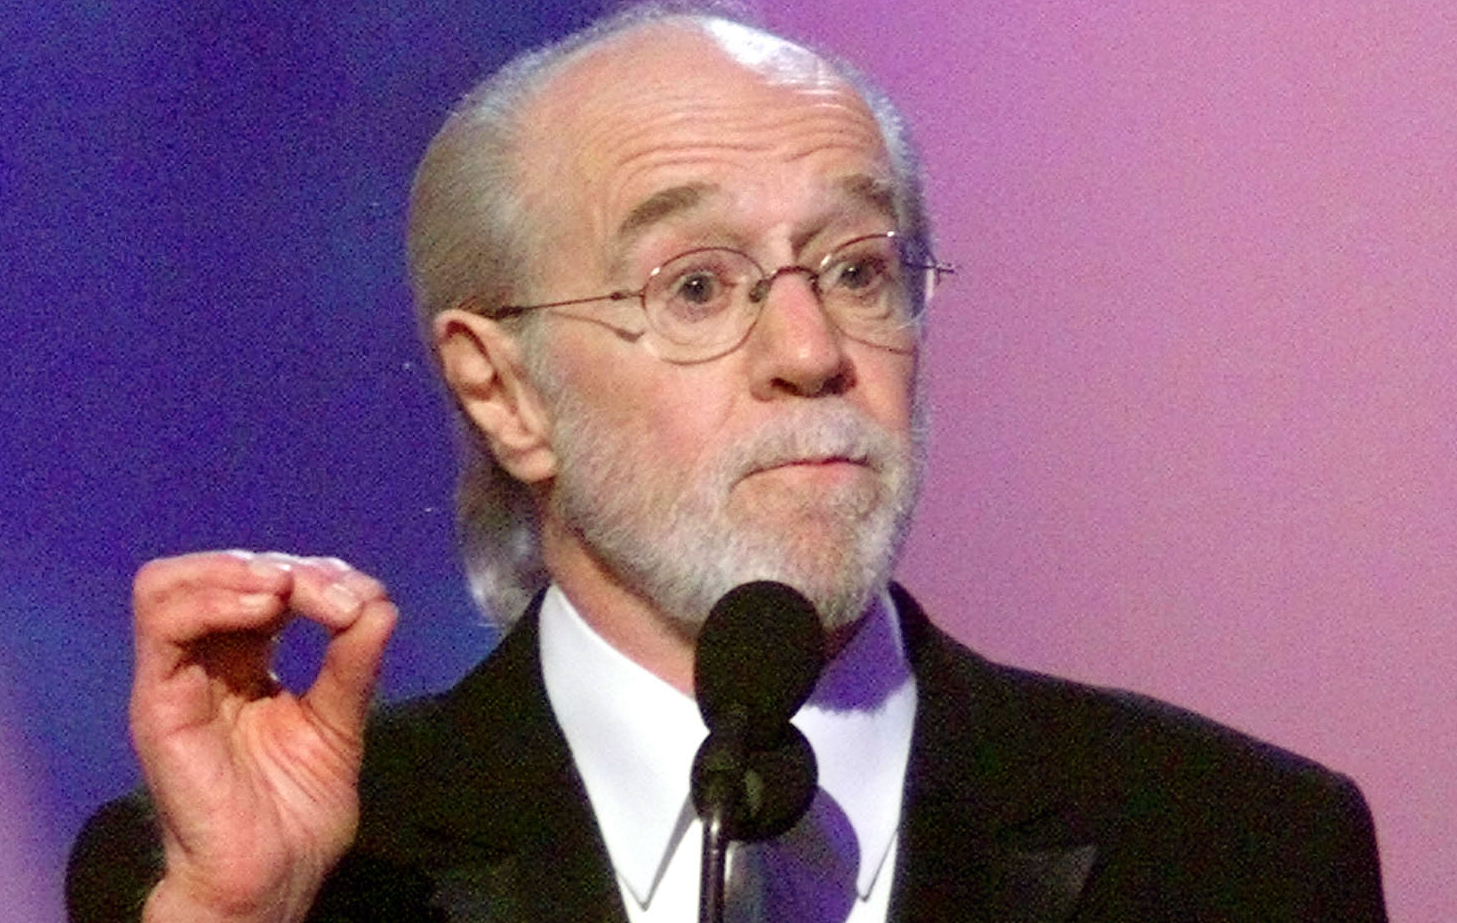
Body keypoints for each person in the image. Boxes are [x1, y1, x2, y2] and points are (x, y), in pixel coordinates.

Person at [67, 7, 1387, 922]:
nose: (812, 352)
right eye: (696, 286)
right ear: (503, 390)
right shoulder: (271, 870)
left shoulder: (1239, 849)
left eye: (859, 270)